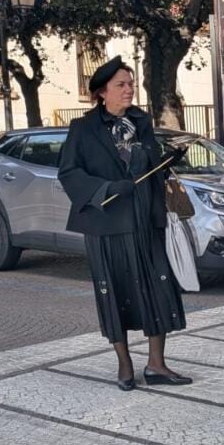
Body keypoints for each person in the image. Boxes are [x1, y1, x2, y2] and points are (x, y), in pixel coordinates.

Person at [57, 56, 191, 391]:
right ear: (102, 92)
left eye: (130, 84)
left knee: (158, 288)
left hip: (145, 220)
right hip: (107, 225)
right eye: (121, 85)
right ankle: (124, 365)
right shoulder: (83, 129)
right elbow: (69, 172)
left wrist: (168, 158)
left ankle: (157, 364)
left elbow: (148, 164)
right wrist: (105, 189)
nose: (129, 89)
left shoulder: (141, 122)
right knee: (114, 292)